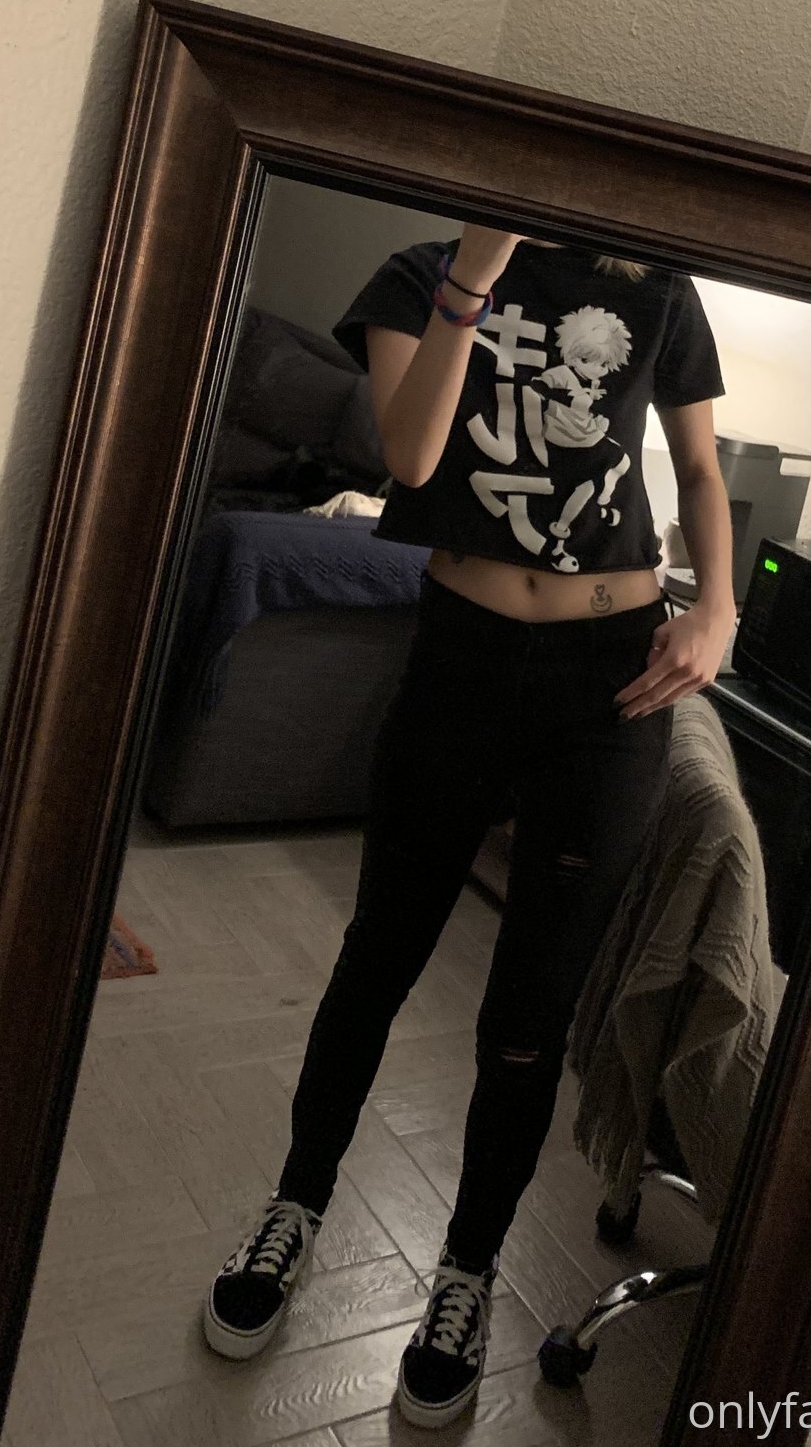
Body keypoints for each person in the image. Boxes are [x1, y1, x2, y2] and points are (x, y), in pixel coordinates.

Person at [202, 224, 735, 1426]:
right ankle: (294, 1206)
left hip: (609, 679)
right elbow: (412, 456)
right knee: (378, 955)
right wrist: (475, 280)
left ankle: (467, 1273)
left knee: (530, 1014)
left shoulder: (654, 281)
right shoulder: (417, 274)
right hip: (462, 659)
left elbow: (701, 470)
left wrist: (720, 612)